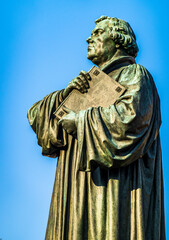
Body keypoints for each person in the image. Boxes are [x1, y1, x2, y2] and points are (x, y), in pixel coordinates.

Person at [28, 16, 166, 240]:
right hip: (77, 194)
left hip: (112, 190)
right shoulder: (88, 84)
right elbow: (37, 118)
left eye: (98, 33)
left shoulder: (134, 74)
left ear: (118, 41)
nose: (89, 38)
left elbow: (131, 121)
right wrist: (65, 95)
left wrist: (80, 121)